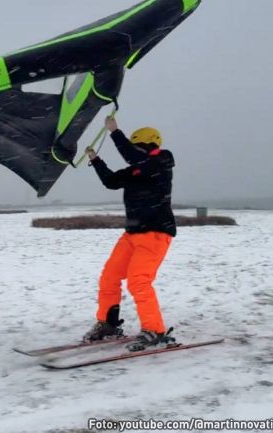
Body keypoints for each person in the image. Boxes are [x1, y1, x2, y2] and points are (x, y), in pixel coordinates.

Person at [82, 116, 177, 352]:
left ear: (149, 146)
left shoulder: (161, 162)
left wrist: (115, 132)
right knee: (109, 277)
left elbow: (134, 157)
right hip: (132, 234)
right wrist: (95, 160)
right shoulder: (137, 169)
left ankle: (154, 330)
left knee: (139, 281)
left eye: (138, 147)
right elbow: (111, 181)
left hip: (156, 233)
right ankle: (108, 324)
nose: (135, 151)